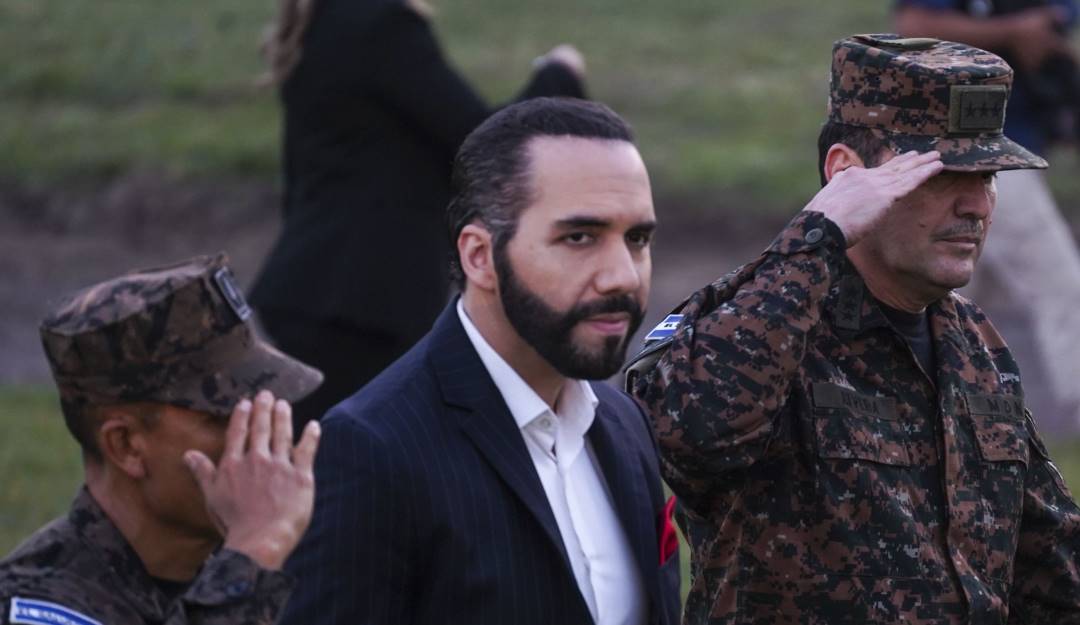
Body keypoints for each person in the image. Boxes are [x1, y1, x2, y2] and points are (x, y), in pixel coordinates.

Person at [629, 35, 1080, 624]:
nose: (976, 205)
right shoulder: (752, 321)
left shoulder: (973, 344)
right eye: (943, 175)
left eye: (989, 175)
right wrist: (818, 235)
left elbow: (1053, 571)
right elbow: (685, 437)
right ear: (846, 174)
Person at [279, 97, 681, 625]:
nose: (623, 276)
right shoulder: (373, 451)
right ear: (479, 256)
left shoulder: (625, 424)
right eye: (579, 237)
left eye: (637, 239)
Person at [250, 0, 588, 428]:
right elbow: (485, 144)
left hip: (320, 294)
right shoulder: (382, 24)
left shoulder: (326, 20)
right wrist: (559, 73)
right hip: (360, 305)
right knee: (353, 475)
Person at [0, 254, 324, 625]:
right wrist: (253, 558)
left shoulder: (250, 565)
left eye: (263, 407)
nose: (259, 441)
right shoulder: (45, 607)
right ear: (126, 445)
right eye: (222, 418)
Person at [895, 0, 1080, 430]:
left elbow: (1048, 40)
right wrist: (1016, 31)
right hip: (962, 150)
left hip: (1014, 147)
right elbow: (913, 25)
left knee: (952, 300)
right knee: (1061, 287)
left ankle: (927, 415)